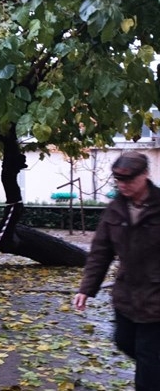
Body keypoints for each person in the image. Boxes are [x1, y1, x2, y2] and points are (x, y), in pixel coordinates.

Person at [74, 151, 160, 390]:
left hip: (156, 297)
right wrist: (86, 289)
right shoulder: (115, 209)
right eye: (119, 181)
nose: (123, 185)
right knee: (123, 341)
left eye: (129, 180)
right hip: (126, 295)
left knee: (147, 355)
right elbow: (100, 252)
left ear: (145, 174)